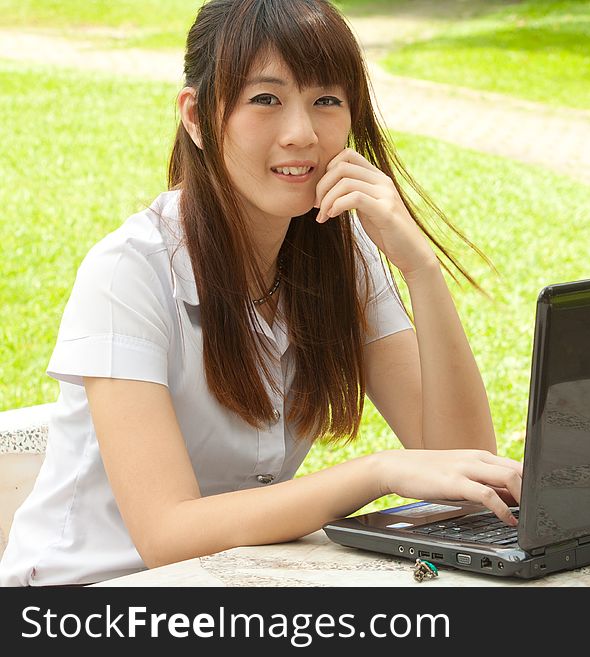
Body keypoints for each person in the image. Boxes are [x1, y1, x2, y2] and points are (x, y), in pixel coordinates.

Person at [0, 0, 521, 587]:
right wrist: (376, 472)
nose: (301, 134)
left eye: (326, 99)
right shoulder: (131, 271)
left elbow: (468, 469)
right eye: (265, 100)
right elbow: (165, 533)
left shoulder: (340, 253)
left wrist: (421, 268)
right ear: (196, 117)